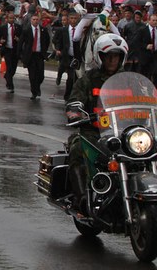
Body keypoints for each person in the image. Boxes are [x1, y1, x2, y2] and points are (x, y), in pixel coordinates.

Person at [65, 33, 129, 214]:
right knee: (77, 148)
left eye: (116, 56)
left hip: (123, 132)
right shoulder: (88, 79)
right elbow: (74, 101)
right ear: (100, 57)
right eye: (108, 56)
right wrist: (75, 112)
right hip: (94, 132)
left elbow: (146, 98)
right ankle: (81, 199)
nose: (112, 60)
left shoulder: (128, 80)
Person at [20, 13, 50, 101]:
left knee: (41, 75)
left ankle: (37, 87)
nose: (35, 21)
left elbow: (47, 41)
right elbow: (21, 43)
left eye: (37, 19)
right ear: (31, 20)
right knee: (32, 76)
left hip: (39, 55)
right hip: (30, 55)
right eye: (34, 19)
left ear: (39, 20)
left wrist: (44, 51)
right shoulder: (26, 30)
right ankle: (34, 92)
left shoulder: (43, 30)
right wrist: (21, 55)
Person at [54, 11, 81, 100]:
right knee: (70, 77)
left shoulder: (81, 31)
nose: (73, 21)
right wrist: (58, 49)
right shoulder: (63, 30)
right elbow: (57, 41)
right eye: (71, 18)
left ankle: (74, 96)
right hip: (67, 57)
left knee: (75, 78)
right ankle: (67, 96)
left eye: (75, 18)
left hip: (77, 57)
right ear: (68, 20)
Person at [0, 11, 22, 93]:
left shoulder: (18, 27)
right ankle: (10, 85)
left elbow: (22, 38)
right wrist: (1, 40)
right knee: (9, 67)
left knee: (13, 69)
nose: (11, 20)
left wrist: (19, 40)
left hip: (15, 50)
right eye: (10, 18)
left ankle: (7, 76)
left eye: (13, 18)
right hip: (7, 50)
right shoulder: (3, 28)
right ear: (7, 19)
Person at [142, 13, 157, 85]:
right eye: (153, 20)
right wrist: (146, 46)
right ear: (149, 21)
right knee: (147, 74)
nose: (155, 22)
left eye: (156, 20)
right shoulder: (143, 30)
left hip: (155, 54)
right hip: (146, 55)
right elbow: (137, 42)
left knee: (155, 72)